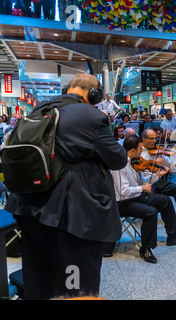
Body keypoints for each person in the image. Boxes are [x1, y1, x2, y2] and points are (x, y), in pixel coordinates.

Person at [5, 74, 128, 300]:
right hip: (72, 218)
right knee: (76, 285)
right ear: (95, 95)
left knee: (39, 279)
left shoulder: (37, 111)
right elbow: (118, 159)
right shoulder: (91, 115)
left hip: (29, 209)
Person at [110, 135, 176, 263]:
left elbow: (143, 181)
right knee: (151, 212)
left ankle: (173, 236)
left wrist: (158, 176)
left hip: (135, 197)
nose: (142, 151)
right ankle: (146, 249)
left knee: (165, 201)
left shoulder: (135, 162)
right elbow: (123, 192)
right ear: (132, 150)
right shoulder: (120, 166)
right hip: (122, 203)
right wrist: (142, 189)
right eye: (140, 149)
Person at [140, 129, 176, 228]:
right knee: (161, 200)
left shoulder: (158, 152)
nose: (155, 141)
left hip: (158, 181)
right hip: (145, 183)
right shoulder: (139, 152)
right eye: (152, 139)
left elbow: (172, 168)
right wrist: (153, 163)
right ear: (143, 139)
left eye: (155, 138)